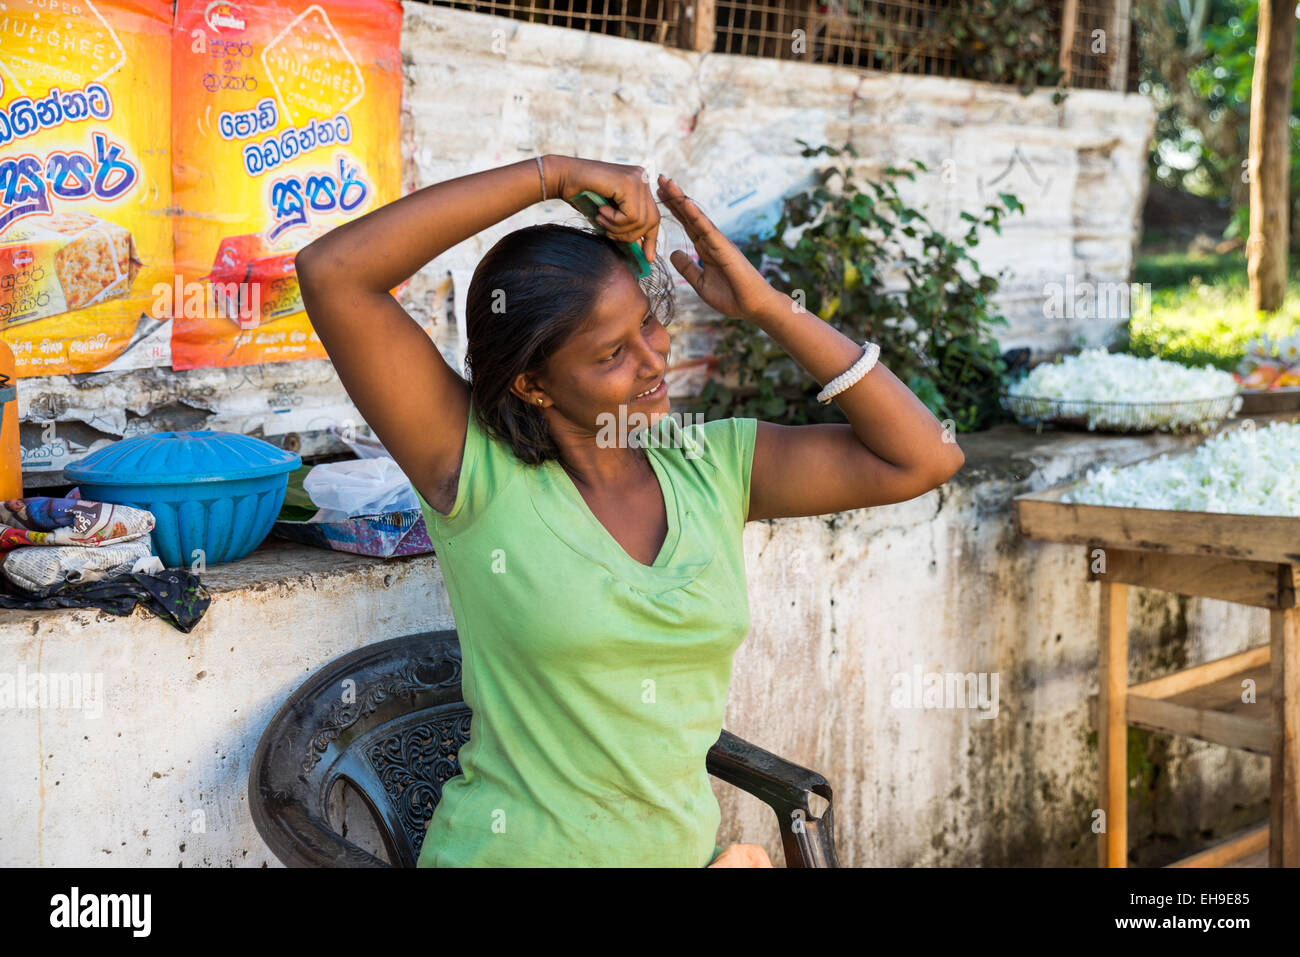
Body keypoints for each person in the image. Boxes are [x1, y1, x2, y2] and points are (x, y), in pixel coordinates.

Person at [295, 154, 965, 867]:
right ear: (534, 383)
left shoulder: (713, 465)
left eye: (649, 322)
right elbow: (334, 272)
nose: (653, 361)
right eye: (613, 352)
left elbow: (925, 458)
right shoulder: (474, 472)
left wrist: (770, 306)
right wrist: (552, 174)